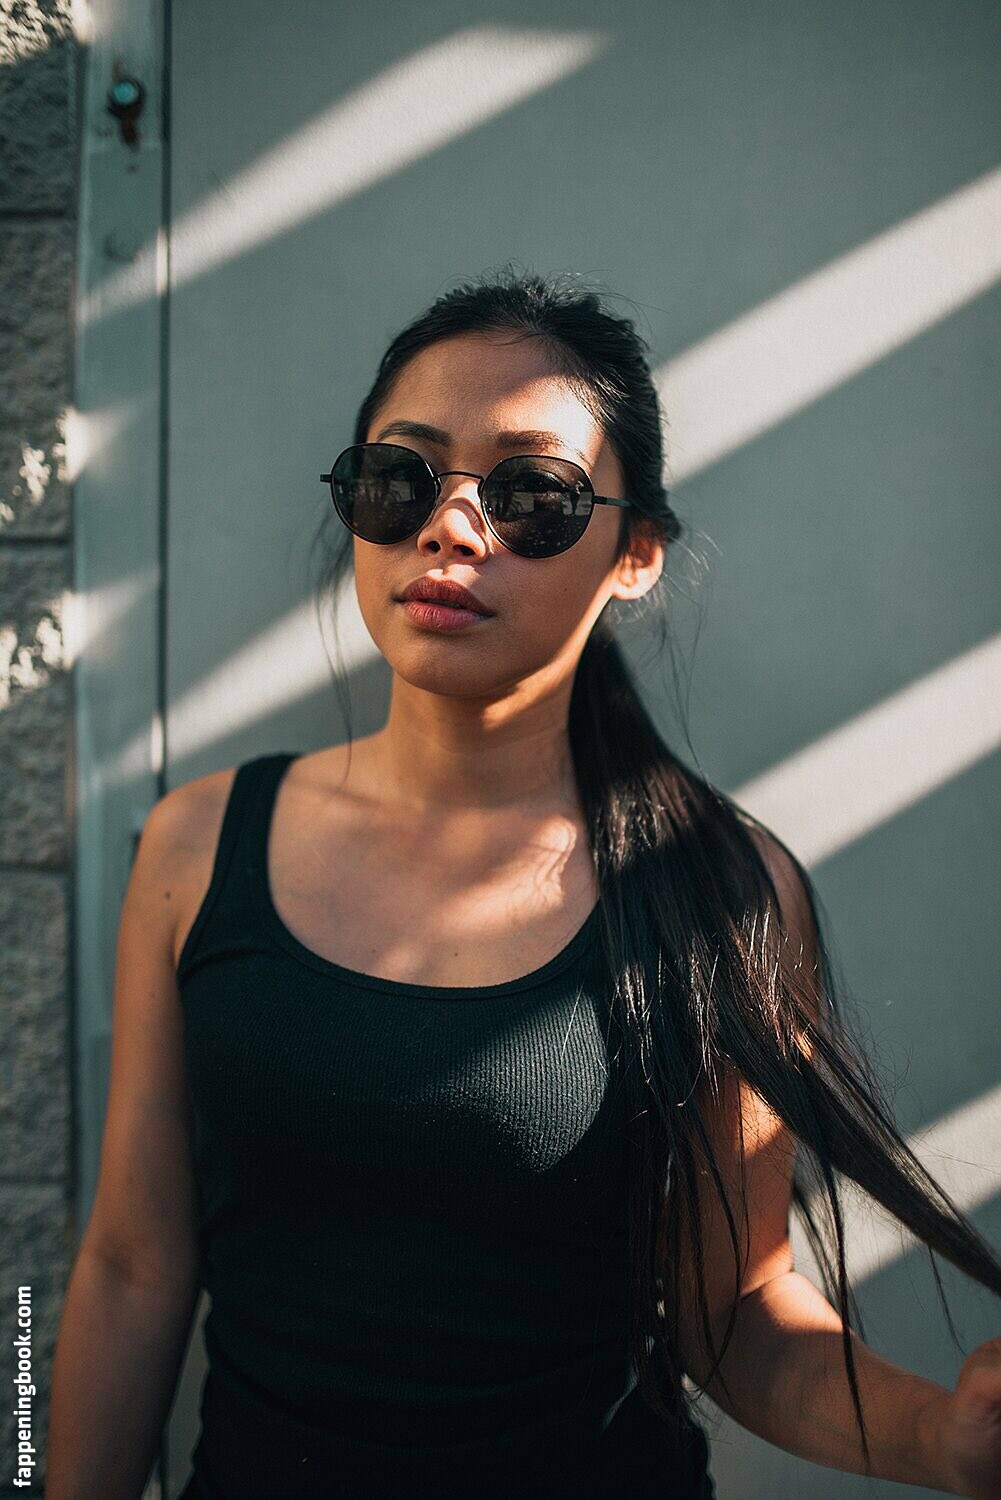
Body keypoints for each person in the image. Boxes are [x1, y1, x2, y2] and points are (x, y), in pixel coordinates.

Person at [45, 267, 1001, 1499]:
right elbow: (129, 1264)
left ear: (634, 554)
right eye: (400, 477)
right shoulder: (196, 847)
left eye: (532, 494)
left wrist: (942, 1439)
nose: (450, 527)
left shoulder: (717, 891)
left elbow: (735, 1313)